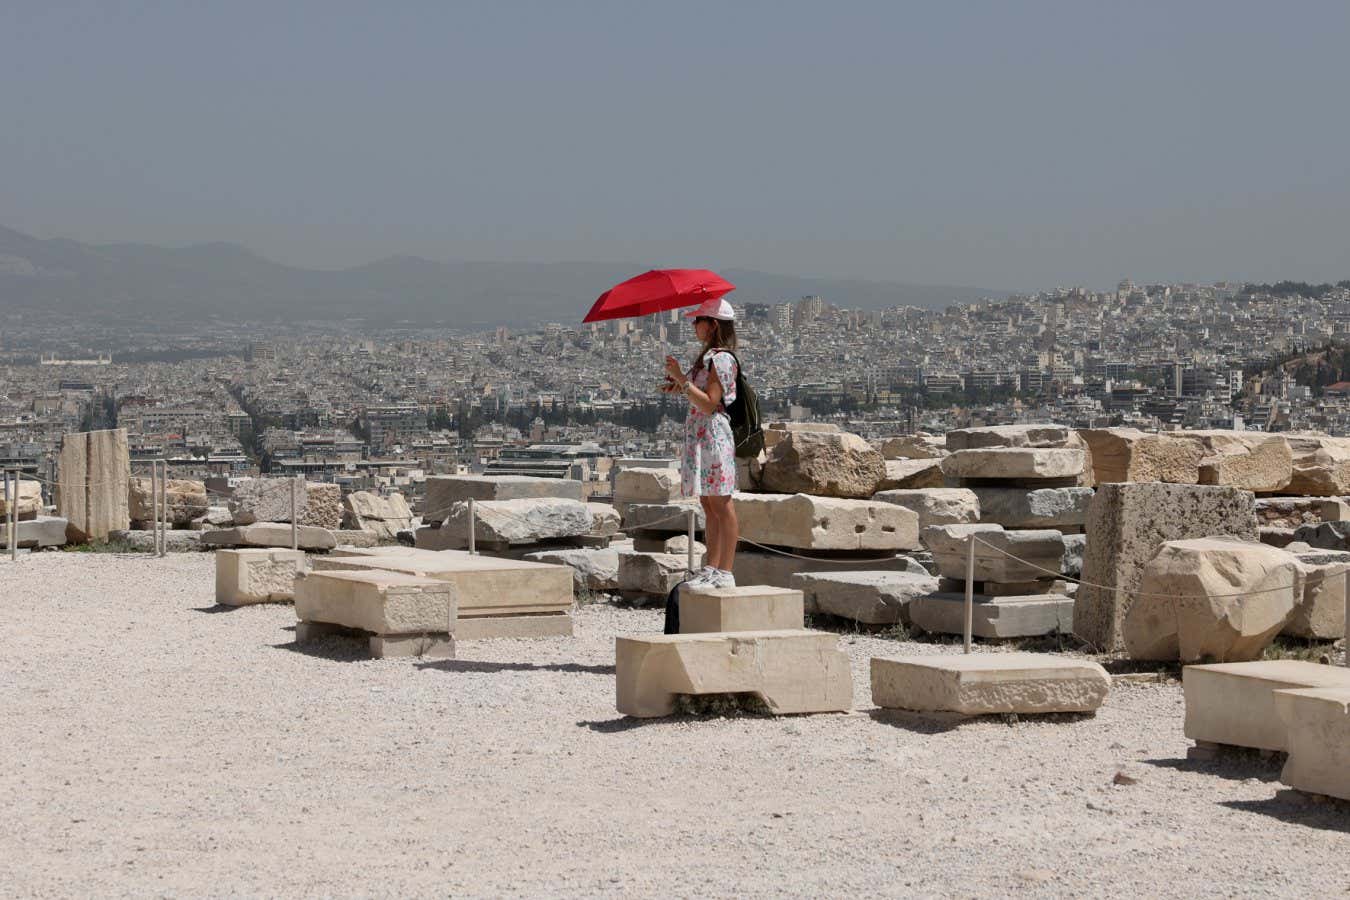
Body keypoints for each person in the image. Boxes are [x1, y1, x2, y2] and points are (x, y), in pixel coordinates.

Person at [662, 297, 741, 589]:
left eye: (699, 320)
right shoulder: (707, 359)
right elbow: (699, 397)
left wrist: (682, 378)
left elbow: (710, 404)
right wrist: (678, 384)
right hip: (701, 436)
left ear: (713, 324)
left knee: (722, 502)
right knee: (709, 503)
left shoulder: (720, 359)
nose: (695, 325)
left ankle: (726, 570)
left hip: (713, 435)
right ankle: (712, 566)